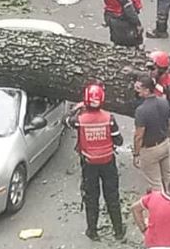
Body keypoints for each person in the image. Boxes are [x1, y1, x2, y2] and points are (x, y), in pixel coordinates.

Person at [66, 81, 126, 241]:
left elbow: (68, 120)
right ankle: (118, 231)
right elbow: (119, 140)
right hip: (108, 163)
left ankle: (92, 230)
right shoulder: (109, 118)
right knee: (112, 196)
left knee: (91, 198)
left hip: (89, 164)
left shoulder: (80, 120)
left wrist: (78, 108)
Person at [133, 74, 170, 191]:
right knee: (168, 177)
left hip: (150, 150)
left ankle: (161, 207)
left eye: (138, 89)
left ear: (146, 90)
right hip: (165, 144)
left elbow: (139, 136)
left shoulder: (141, 111)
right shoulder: (164, 102)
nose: (136, 91)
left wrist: (136, 154)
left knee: (155, 184)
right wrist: (168, 137)